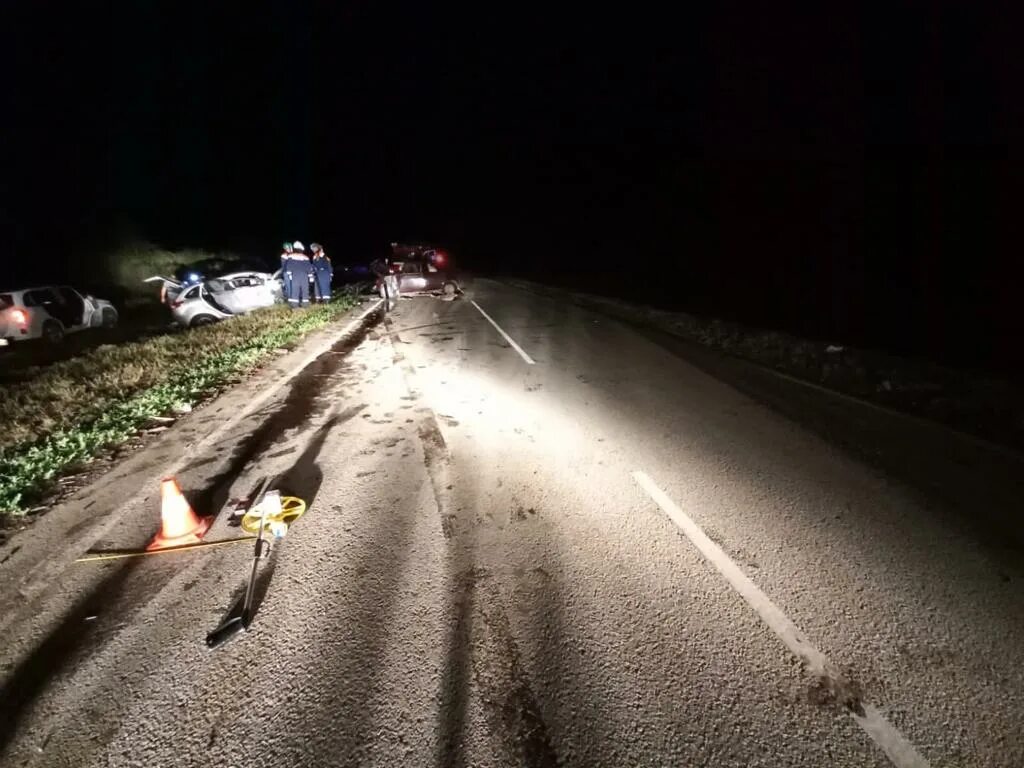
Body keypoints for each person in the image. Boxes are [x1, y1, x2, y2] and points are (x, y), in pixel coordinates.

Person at [285, 241, 312, 308]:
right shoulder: (305, 257)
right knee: (305, 289)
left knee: (295, 289)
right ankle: (305, 304)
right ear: (301, 249)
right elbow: (308, 267)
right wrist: (310, 275)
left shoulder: (291, 256)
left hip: (295, 275)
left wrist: (289, 273)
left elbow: (289, 265)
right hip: (304, 275)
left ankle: (295, 305)